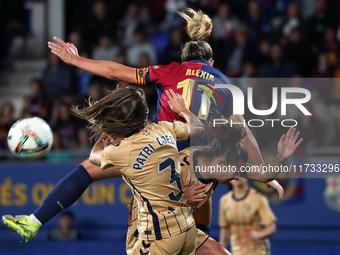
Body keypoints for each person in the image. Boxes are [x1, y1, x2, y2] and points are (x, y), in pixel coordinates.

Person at [2, 8, 266, 252]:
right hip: (199, 164)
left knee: (88, 170)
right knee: (199, 211)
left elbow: (116, 71)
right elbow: (241, 128)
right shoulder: (225, 82)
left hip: (160, 152)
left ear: (183, 59)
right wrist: (264, 170)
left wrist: (77, 60)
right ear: (211, 61)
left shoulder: (170, 71)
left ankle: (35, 219)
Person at [219, 178, 276, 255]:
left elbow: (271, 227)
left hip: (258, 251)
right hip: (237, 251)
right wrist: (221, 251)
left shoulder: (258, 198)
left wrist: (259, 234)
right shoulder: (224, 201)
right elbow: (225, 229)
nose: (237, 176)